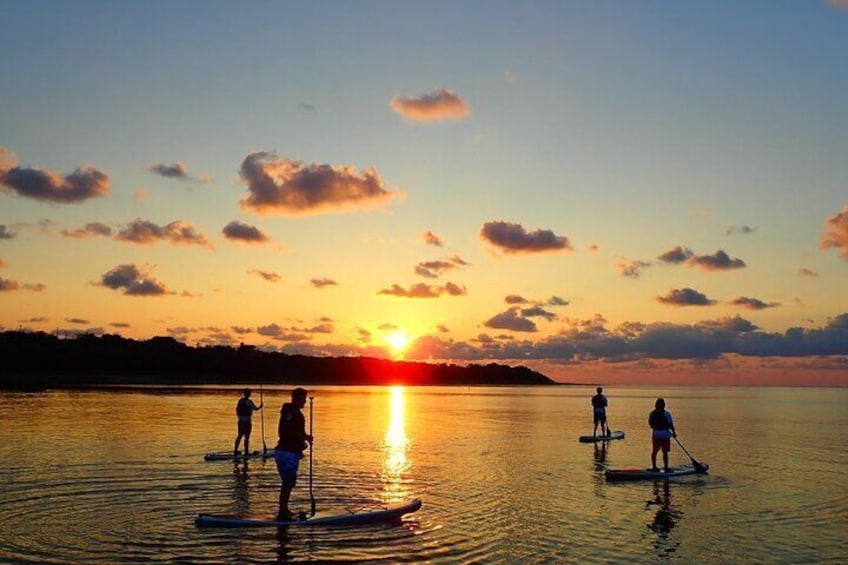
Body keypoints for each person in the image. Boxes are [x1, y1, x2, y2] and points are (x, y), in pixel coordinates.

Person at [275, 387, 313, 521]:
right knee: (288, 483)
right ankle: (282, 513)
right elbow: (296, 433)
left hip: (280, 451)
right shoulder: (297, 415)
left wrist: (301, 445)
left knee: (287, 483)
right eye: (303, 399)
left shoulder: (286, 411)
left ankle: (284, 510)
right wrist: (307, 438)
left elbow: (287, 432)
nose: (305, 402)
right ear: (297, 399)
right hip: (288, 454)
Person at [649, 398, 676, 472]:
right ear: (664, 405)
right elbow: (670, 424)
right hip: (665, 434)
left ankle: (654, 467)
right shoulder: (666, 414)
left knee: (654, 451)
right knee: (665, 452)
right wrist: (674, 432)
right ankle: (666, 467)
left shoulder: (652, 413)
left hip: (656, 434)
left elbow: (650, 423)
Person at [233, 388, 262, 458]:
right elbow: (256, 408)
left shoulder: (240, 401)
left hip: (240, 421)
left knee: (239, 435)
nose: (250, 394)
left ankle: (235, 450)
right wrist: (260, 406)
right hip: (246, 421)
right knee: (247, 436)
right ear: (248, 394)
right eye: (249, 393)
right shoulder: (248, 401)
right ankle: (246, 451)